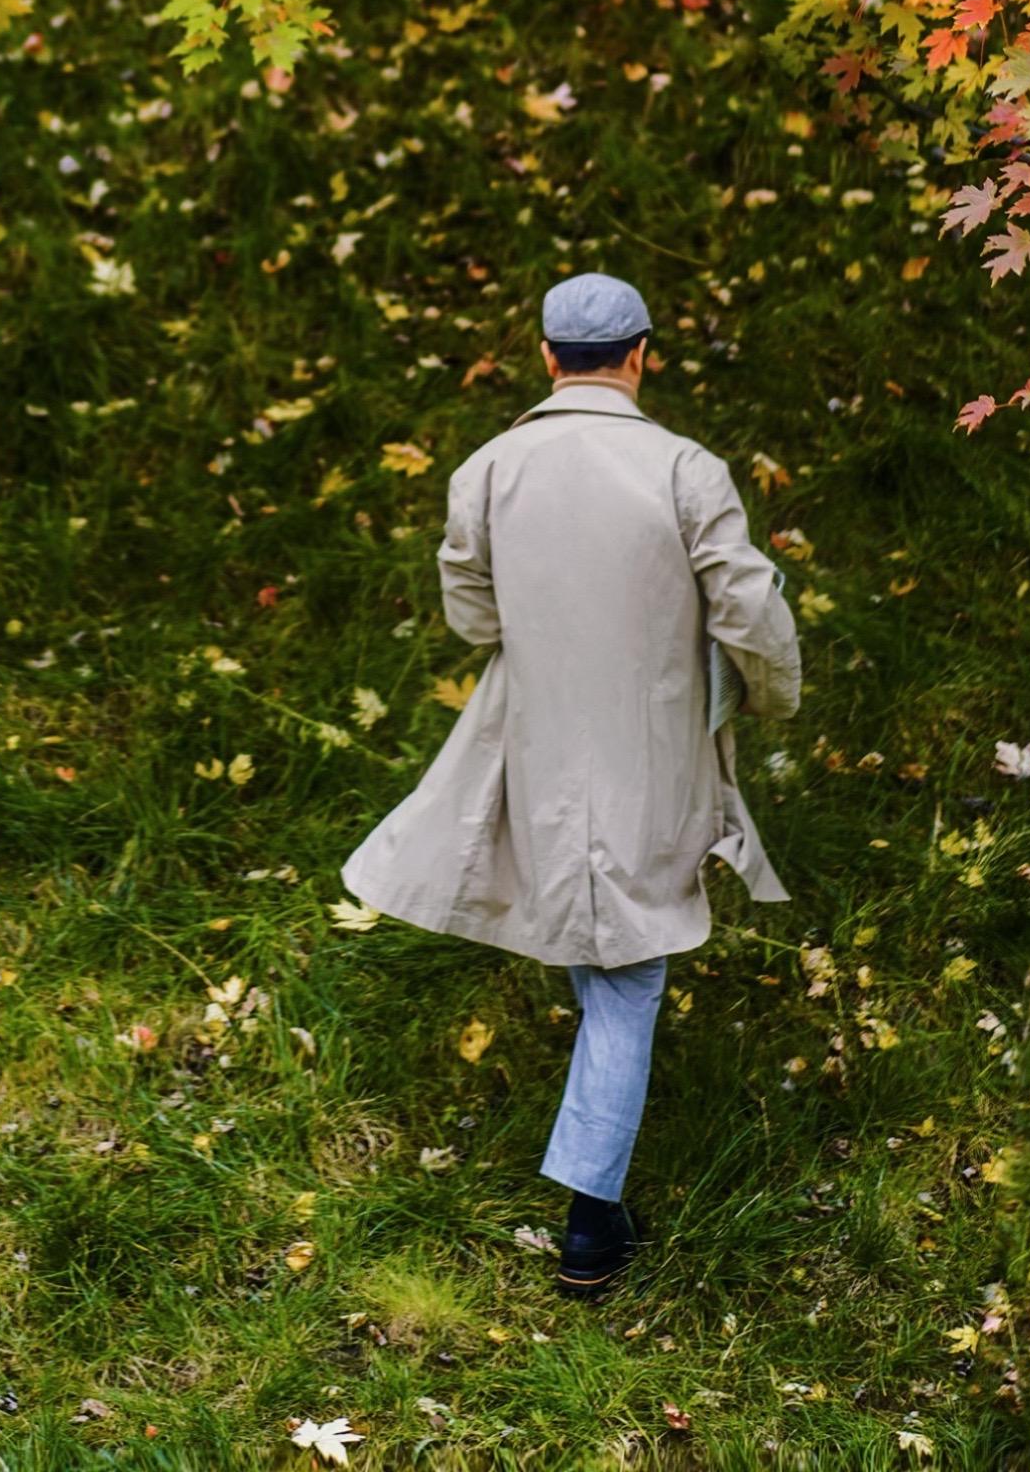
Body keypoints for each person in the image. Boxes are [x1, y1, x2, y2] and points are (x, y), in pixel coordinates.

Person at [341, 270, 801, 1296]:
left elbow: (469, 610)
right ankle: (591, 1224)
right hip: (652, 748)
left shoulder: (489, 469)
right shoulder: (685, 469)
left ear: (545, 356)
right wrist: (771, 693)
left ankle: (596, 1197)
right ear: (640, 354)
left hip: (539, 738)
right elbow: (747, 605)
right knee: (629, 967)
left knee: (601, 942)